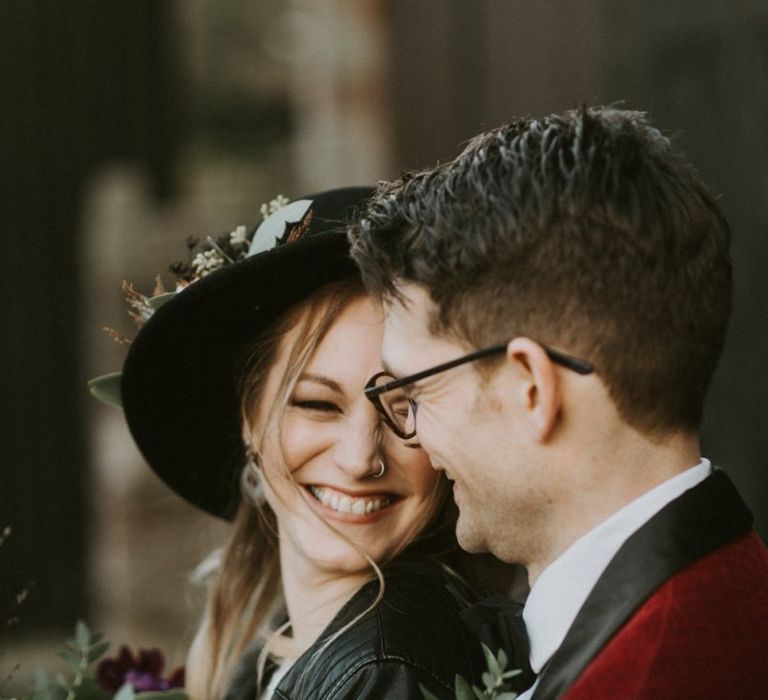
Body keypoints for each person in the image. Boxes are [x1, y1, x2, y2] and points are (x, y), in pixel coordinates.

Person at [349, 107, 768, 698]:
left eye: (413, 391)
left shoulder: (638, 678)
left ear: (532, 388)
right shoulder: (735, 590)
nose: (408, 436)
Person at [91, 187, 527, 700]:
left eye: (403, 409)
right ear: (248, 417)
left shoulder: (389, 669)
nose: (360, 458)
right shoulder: (287, 641)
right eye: (317, 405)